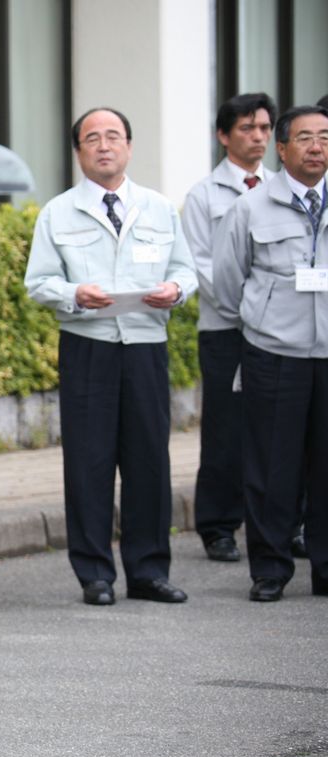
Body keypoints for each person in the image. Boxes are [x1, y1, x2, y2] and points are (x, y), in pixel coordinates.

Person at [24, 108, 197, 607]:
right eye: (92, 139)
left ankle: (148, 572)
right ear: (78, 151)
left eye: (113, 137)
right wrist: (76, 293)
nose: (104, 146)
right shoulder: (57, 212)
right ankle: (95, 574)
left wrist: (175, 290)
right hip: (89, 346)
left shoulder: (160, 208)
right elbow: (39, 283)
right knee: (89, 462)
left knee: (149, 461)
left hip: (145, 345)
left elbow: (187, 270)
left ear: (129, 146)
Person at [213, 104, 328, 602]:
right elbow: (226, 280)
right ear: (281, 149)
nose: (317, 146)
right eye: (304, 138)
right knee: (270, 467)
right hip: (273, 353)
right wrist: (264, 318)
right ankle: (270, 568)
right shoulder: (251, 207)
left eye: (324, 137)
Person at [182, 93, 276, 563]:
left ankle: (285, 522)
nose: (257, 137)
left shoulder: (283, 188)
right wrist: (256, 311)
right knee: (224, 428)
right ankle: (218, 525)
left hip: (282, 334)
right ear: (223, 136)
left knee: (281, 431)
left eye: (263, 128)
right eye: (246, 128)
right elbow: (204, 267)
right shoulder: (204, 196)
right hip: (226, 329)